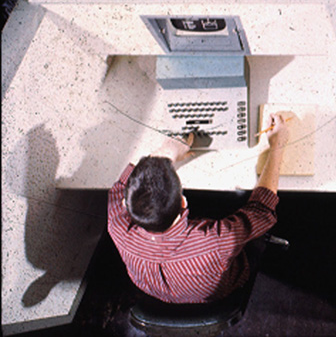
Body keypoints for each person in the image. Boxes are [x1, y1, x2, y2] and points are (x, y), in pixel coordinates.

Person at [107, 113, 289, 304]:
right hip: (220, 289)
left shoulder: (116, 225)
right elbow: (262, 210)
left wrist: (165, 152)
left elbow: (120, 187)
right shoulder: (215, 242)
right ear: (184, 203)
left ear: (127, 204)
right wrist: (278, 146)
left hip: (154, 290)